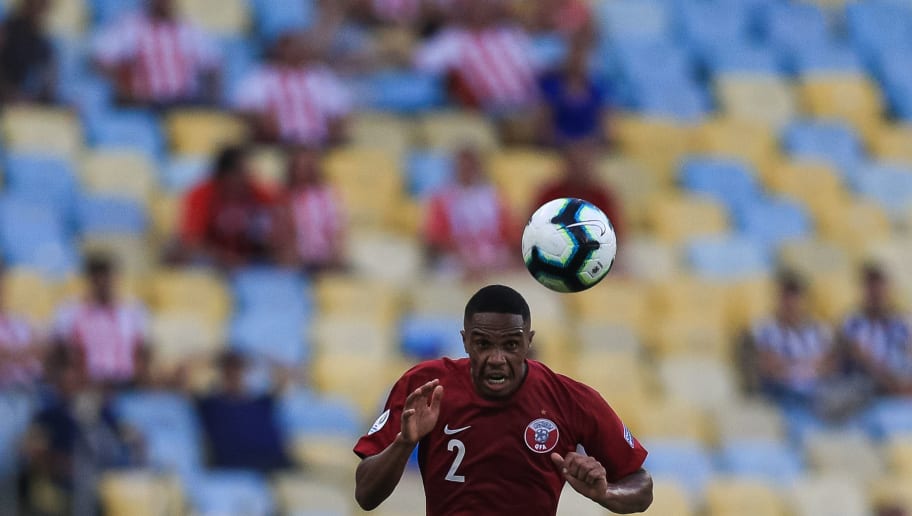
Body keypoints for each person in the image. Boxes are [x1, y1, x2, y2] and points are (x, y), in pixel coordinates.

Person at [354, 285, 652, 514]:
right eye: (483, 344)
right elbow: (366, 495)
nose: (497, 359)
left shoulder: (571, 400)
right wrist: (403, 444)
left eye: (511, 345)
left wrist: (606, 493)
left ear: (528, 342)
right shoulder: (425, 388)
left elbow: (642, 487)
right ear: (465, 340)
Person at [19, 347, 139, 515]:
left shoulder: (100, 408)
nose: (74, 381)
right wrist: (55, 462)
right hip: (69, 472)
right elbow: (31, 448)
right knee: (85, 484)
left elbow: (127, 433)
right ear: (59, 382)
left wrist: (135, 443)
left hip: (106, 467)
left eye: (78, 376)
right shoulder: (49, 414)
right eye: (68, 376)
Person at [414, 0, 540, 113]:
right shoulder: (450, 41)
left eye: (485, 4)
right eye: (474, 4)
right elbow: (423, 67)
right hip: (485, 114)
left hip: (527, 107)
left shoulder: (510, 34)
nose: (481, 9)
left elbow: (533, 70)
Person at [92, 0, 221, 107]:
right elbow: (102, 61)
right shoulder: (130, 26)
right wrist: (124, 85)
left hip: (183, 103)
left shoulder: (189, 29)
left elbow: (212, 67)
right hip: (144, 104)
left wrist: (211, 103)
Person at [233, 31, 351, 147]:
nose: (295, 51)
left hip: (319, 145)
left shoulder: (321, 76)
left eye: (299, 46)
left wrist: (333, 131)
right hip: (277, 144)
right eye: (289, 47)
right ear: (279, 49)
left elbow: (338, 112)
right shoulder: (262, 75)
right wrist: (263, 122)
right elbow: (245, 108)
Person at [52, 255, 150, 388]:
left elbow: (142, 350)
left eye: (107, 276)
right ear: (90, 279)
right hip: (87, 385)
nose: (103, 282)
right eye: (98, 276)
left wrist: (140, 376)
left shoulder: (133, 311)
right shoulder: (70, 311)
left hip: (127, 384)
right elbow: (59, 351)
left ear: (116, 278)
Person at [178, 145, 278, 269]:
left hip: (251, 260)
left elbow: (279, 217)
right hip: (211, 263)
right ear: (227, 175)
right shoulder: (202, 194)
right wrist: (222, 257)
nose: (248, 178)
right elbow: (191, 240)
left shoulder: (257, 192)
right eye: (243, 173)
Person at [423, 147, 516, 277]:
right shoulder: (442, 198)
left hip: (493, 256)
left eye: (471, 166)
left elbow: (509, 233)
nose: (467, 171)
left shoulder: (495, 196)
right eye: (463, 166)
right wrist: (464, 256)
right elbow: (435, 238)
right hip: (456, 258)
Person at [195, 350, 293, 473]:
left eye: (238, 369)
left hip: (274, 464)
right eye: (228, 369)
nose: (234, 374)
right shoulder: (210, 405)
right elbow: (182, 378)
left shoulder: (262, 402)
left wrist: (261, 358)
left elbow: (285, 377)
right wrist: (209, 359)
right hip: (234, 468)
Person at [841, 264, 912, 396]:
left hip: (899, 381)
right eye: (871, 287)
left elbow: (908, 353)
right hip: (866, 386)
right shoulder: (852, 323)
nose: (876, 293)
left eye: (879, 287)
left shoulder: (902, 323)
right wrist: (893, 385)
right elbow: (864, 360)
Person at [534, 142, 624, 242]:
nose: (580, 169)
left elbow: (617, 235)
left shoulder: (602, 196)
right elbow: (534, 229)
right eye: (575, 163)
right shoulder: (550, 194)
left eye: (584, 163)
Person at [276, 148, 347, 272]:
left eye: (308, 166)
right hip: (296, 262)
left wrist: (334, 255)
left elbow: (338, 228)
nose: (305, 171)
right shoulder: (285, 196)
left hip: (325, 260)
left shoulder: (328, 194)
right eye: (301, 167)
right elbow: (282, 233)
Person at [538, 37, 610, 146]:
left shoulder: (598, 89)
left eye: (583, 54)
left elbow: (604, 129)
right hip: (559, 147)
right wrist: (570, 146)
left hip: (589, 147)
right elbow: (544, 129)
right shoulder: (552, 87)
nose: (579, 59)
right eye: (575, 53)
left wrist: (588, 145)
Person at [0, 0, 55, 104]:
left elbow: (48, 85)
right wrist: (10, 95)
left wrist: (30, 99)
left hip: (27, 106)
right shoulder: (5, 31)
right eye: (36, 3)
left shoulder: (44, 44)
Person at [0, 267, 43, 390]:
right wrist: (22, 352)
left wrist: (10, 354)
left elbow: (40, 351)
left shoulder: (18, 321)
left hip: (27, 389)